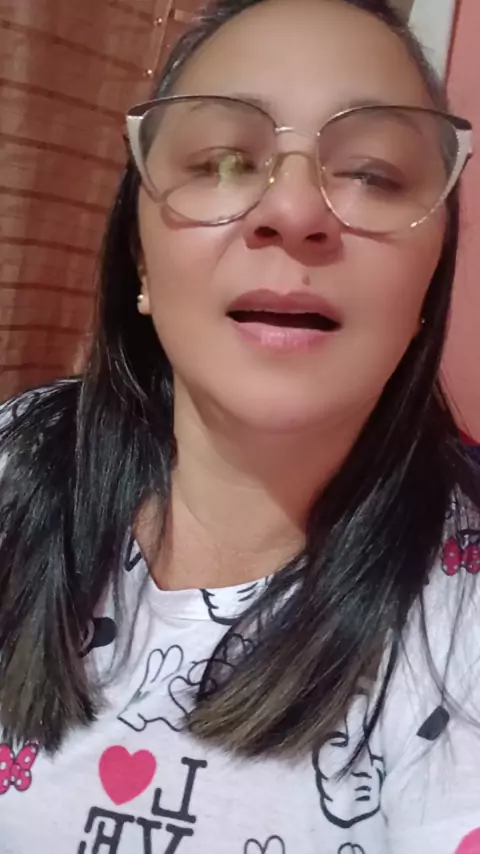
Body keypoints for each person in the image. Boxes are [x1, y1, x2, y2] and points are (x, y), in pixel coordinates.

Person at [0, 0, 479, 851]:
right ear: (140, 255)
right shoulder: (16, 457)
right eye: (221, 161)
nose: (293, 212)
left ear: (429, 278)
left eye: (372, 174)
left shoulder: (461, 612)